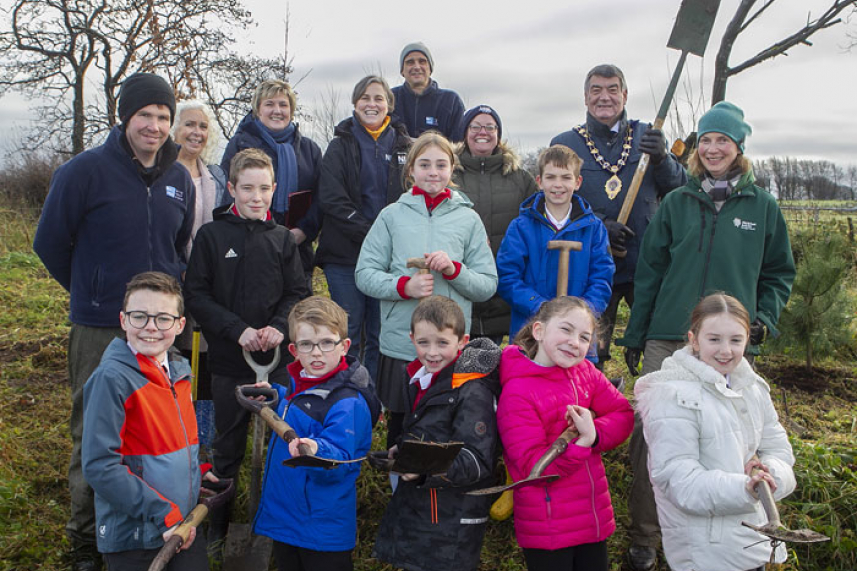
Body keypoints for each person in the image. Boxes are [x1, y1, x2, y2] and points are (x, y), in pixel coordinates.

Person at [617, 101, 796, 570]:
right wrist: (637, 334)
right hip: (670, 338)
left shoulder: (762, 208)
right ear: (697, 147)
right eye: (707, 140)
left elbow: (779, 272)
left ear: (739, 147)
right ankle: (646, 536)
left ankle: (727, 542)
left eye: (724, 140)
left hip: (728, 343)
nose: (714, 148)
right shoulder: (677, 203)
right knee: (651, 438)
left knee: (732, 439)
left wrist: (763, 321)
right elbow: (650, 272)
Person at [32, 72, 194, 571]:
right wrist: (94, 294)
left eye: (163, 117)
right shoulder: (83, 172)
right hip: (102, 325)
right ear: (125, 117)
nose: (154, 125)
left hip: (159, 330)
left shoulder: (178, 180)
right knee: (94, 432)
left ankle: (153, 519)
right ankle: (86, 540)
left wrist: (161, 314)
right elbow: (50, 243)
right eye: (144, 115)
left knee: (153, 429)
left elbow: (178, 246)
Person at [183, 148, 309, 553]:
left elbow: (298, 293)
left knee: (278, 443)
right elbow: (196, 294)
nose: (257, 197)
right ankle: (217, 529)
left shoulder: (281, 239)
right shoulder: (212, 236)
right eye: (248, 188)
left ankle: (275, 528)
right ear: (232, 189)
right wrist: (237, 330)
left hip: (275, 365)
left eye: (265, 189)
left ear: (275, 190)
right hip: (228, 361)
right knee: (227, 445)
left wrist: (276, 327)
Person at [354, 132, 497, 449]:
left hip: (448, 349)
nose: (433, 171)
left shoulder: (468, 219)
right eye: (425, 164)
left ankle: (439, 490)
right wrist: (404, 286)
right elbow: (364, 274)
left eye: (441, 164)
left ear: (452, 169)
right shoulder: (391, 216)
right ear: (411, 171)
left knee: (446, 423)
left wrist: (454, 270)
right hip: (402, 345)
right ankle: (399, 487)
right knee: (402, 424)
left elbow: (487, 284)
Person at [634, 293, 796, 571]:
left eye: (736, 340)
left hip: (752, 539)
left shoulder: (753, 388)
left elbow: (780, 451)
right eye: (714, 339)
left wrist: (769, 475)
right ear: (694, 339)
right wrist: (745, 488)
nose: (726, 350)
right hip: (705, 551)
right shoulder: (672, 394)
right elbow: (678, 480)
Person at [550, 64, 687, 374]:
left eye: (613, 89)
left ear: (625, 95)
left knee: (658, 348)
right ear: (585, 97)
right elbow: (556, 199)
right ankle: (588, 411)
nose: (605, 97)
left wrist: (664, 158)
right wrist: (598, 225)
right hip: (594, 264)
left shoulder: (648, 135)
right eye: (596, 90)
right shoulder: (565, 143)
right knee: (588, 348)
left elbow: (680, 189)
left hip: (646, 262)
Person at [81, 271, 217, 571]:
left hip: (181, 523)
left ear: (180, 325)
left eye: (163, 318)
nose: (151, 328)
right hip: (137, 535)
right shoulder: (112, 379)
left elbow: (170, 441)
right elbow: (99, 466)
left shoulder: (179, 370)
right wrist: (162, 512)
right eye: (139, 316)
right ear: (123, 320)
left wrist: (194, 473)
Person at [497, 296, 633, 571]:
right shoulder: (518, 392)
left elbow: (622, 413)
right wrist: (582, 444)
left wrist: (594, 435)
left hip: (591, 518)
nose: (575, 342)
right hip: (548, 527)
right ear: (539, 330)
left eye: (585, 337)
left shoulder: (586, 373)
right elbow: (533, 468)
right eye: (566, 330)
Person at [373, 296, 501, 571]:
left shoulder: (473, 390)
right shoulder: (419, 379)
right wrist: (403, 450)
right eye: (423, 342)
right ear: (411, 338)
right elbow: (426, 433)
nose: (432, 352)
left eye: (442, 343)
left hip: (450, 523)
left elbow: (476, 460)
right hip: (421, 515)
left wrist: (423, 470)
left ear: (462, 341)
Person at [254, 296, 381, 571]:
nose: (316, 353)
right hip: (287, 519)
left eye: (326, 343)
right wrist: (278, 397)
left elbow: (339, 459)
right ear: (294, 349)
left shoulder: (349, 403)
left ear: (344, 346)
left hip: (321, 529)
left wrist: (316, 449)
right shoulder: (302, 384)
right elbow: (305, 408)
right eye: (307, 345)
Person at [316, 75, 411, 383]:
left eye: (379, 98)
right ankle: (345, 392)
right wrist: (371, 232)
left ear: (389, 105)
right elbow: (332, 198)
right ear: (355, 104)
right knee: (349, 328)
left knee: (380, 330)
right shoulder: (339, 145)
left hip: (390, 258)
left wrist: (388, 238)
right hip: (345, 255)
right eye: (366, 98)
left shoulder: (406, 148)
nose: (372, 104)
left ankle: (373, 396)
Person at [496, 144, 614, 354]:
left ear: (577, 182)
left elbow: (602, 278)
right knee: (531, 382)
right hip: (531, 330)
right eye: (550, 177)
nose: (558, 185)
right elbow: (507, 277)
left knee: (575, 385)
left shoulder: (594, 228)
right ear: (539, 182)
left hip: (577, 334)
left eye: (566, 177)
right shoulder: (522, 227)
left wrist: (580, 312)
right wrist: (540, 307)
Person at [220, 79, 322, 291]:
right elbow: (228, 194)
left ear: (291, 110)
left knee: (295, 313)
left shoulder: (309, 150)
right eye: (269, 104)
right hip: (250, 248)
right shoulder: (240, 144)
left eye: (283, 105)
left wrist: (303, 230)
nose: (277, 110)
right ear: (258, 109)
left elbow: (321, 197)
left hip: (297, 248)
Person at [453, 104, 538, 343]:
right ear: (465, 132)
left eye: (490, 127)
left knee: (495, 361)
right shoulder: (449, 175)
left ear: (498, 134)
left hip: (504, 288)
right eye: (475, 126)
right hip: (459, 285)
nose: (483, 132)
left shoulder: (520, 178)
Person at [172, 99, 227, 407]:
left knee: (205, 350)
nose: (196, 132)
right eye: (189, 125)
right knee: (175, 348)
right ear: (174, 130)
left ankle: (201, 424)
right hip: (175, 276)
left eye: (203, 126)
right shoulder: (163, 174)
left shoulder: (215, 176)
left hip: (209, 279)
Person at [391, 41, 465, 141]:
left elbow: (458, 144)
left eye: (422, 61)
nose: (416, 67)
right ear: (402, 71)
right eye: (410, 62)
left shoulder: (451, 101)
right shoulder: (389, 98)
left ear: (430, 69)